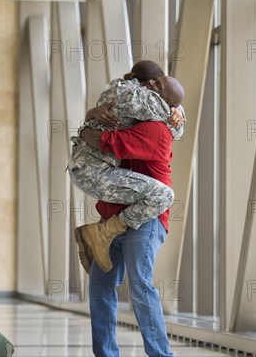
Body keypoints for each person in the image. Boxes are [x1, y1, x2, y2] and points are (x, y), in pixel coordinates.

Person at [78, 92, 178, 357]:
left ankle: (161, 355)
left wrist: (90, 122)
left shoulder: (155, 129)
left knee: (140, 286)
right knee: (100, 287)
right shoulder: (129, 120)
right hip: (109, 221)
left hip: (144, 222)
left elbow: (101, 141)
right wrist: (92, 114)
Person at [69, 61, 185, 275]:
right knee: (163, 195)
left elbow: (169, 117)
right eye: (154, 83)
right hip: (92, 171)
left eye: (157, 85)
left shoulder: (120, 89)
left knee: (105, 281)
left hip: (90, 168)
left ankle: (102, 233)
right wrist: (178, 111)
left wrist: (88, 120)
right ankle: (103, 232)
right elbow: (175, 127)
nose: (153, 85)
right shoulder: (134, 95)